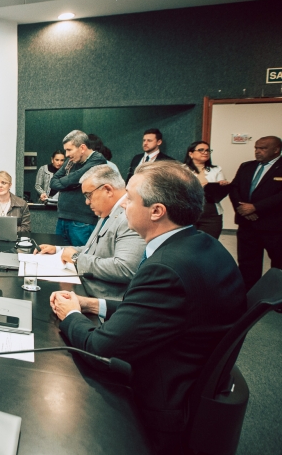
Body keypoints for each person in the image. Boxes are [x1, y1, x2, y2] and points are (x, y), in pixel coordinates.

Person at [50, 161, 245, 449]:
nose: (122, 204)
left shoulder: (166, 268)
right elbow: (156, 312)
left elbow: (100, 349)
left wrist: (71, 315)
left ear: (156, 211)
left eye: (129, 198)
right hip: (184, 373)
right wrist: (92, 305)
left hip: (158, 400)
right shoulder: (202, 244)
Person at [36, 165, 144, 299]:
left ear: (108, 190)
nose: (87, 202)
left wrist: (76, 258)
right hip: (87, 289)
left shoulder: (128, 217)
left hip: (100, 299)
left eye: (89, 195)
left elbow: (125, 269)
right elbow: (91, 250)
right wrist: (58, 250)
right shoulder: (108, 212)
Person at [228, 135, 282, 290]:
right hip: (247, 224)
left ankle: (276, 296)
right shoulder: (247, 166)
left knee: (278, 263)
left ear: (276, 150)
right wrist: (244, 209)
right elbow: (234, 188)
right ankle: (248, 295)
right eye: (256, 148)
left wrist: (256, 207)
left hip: (273, 226)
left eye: (263, 148)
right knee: (247, 264)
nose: (257, 151)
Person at [50, 130, 107, 245]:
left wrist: (68, 181)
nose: (66, 155)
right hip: (62, 218)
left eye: (69, 150)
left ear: (82, 148)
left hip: (82, 222)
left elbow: (78, 176)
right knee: (59, 253)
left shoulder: (97, 160)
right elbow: (53, 182)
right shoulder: (71, 161)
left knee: (79, 255)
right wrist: (74, 184)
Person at [183, 140, 229, 239]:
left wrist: (222, 185)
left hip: (211, 214)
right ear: (191, 154)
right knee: (188, 242)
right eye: (201, 150)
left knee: (209, 242)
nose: (205, 152)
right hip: (188, 212)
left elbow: (220, 192)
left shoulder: (217, 169)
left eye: (207, 150)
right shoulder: (181, 170)